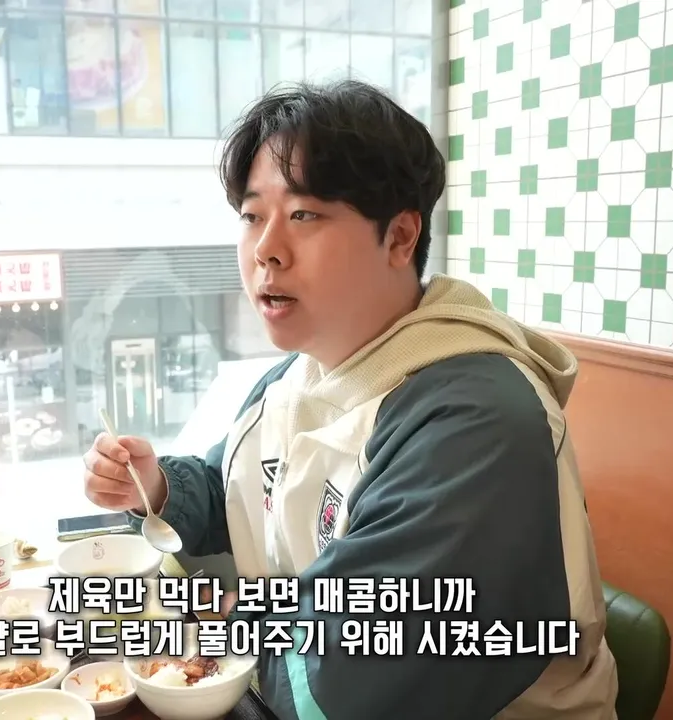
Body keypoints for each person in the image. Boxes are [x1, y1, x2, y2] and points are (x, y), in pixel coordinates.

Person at [82, 80, 618, 719]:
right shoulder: (298, 375)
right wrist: (154, 487)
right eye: (252, 216)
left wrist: (229, 617)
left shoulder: (474, 423)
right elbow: (239, 494)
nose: (265, 249)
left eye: (304, 215)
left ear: (400, 237)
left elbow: (348, 681)